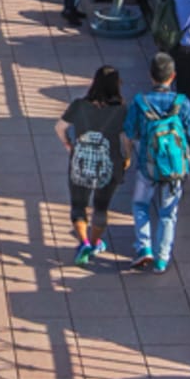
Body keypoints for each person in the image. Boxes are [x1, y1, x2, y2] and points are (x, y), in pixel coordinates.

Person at [122, 53, 190, 274]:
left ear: (151, 76)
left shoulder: (140, 102)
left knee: (140, 206)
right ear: (173, 76)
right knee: (168, 213)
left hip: (147, 166)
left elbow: (129, 131)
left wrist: (128, 154)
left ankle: (144, 246)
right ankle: (162, 259)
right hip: (175, 168)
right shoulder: (182, 102)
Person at [58, 65, 128, 265]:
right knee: (101, 207)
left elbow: (60, 127)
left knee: (78, 206)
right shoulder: (121, 110)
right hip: (109, 166)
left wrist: (68, 144)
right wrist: (127, 156)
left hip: (79, 165)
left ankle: (84, 242)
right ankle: (96, 242)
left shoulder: (79, 105)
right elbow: (126, 139)